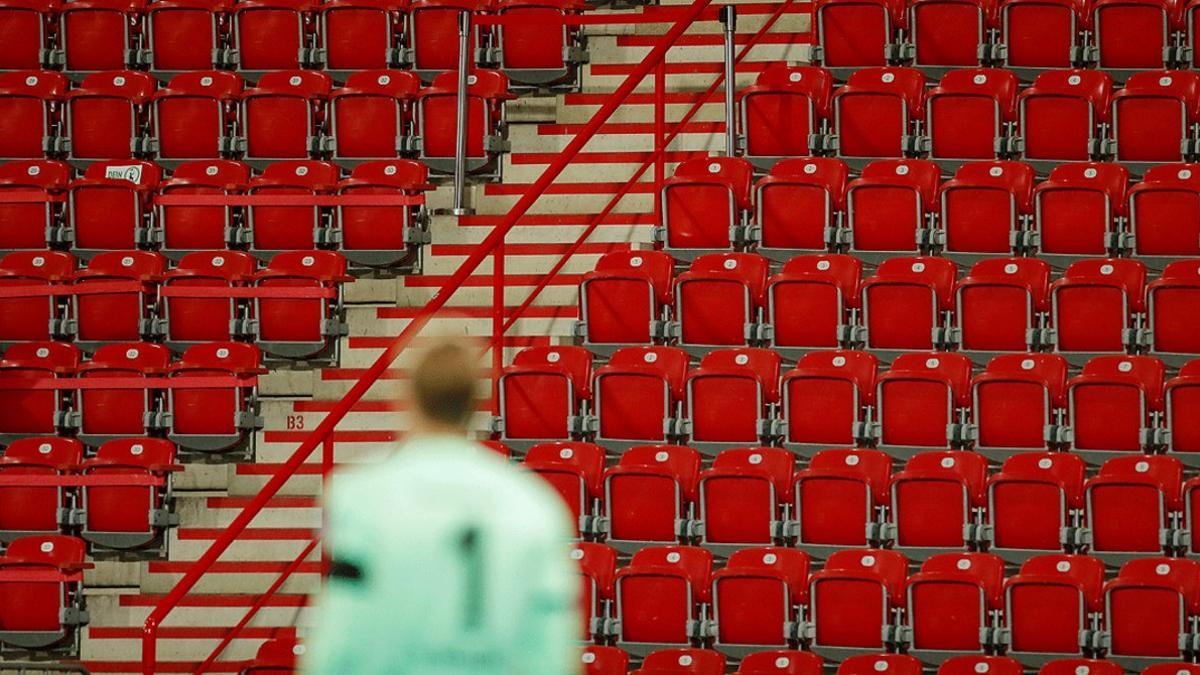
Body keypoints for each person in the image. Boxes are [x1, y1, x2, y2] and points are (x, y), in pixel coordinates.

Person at [303, 336, 580, 674]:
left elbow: (343, 633)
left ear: (407, 399)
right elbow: (548, 647)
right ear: (474, 403)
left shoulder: (360, 494)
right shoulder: (535, 504)